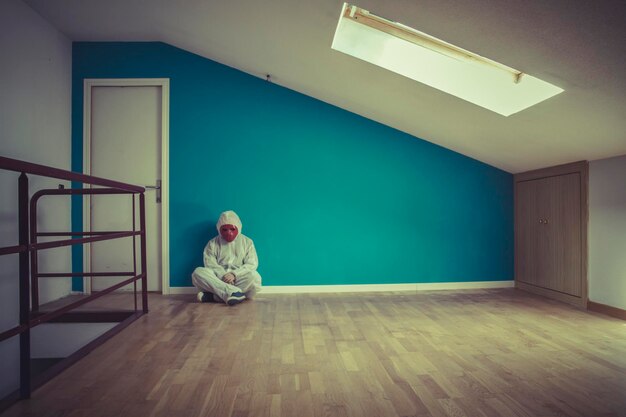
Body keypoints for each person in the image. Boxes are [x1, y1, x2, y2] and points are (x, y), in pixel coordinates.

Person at [192, 210, 262, 306]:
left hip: (239, 279)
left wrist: (234, 274)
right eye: (225, 230)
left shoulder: (247, 242)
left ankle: (215, 297)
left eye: (232, 229)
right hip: (218, 279)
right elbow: (210, 264)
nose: (229, 233)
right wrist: (223, 276)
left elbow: (252, 264)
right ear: (219, 229)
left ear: (238, 227)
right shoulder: (212, 243)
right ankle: (233, 293)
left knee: (254, 276)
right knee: (198, 273)